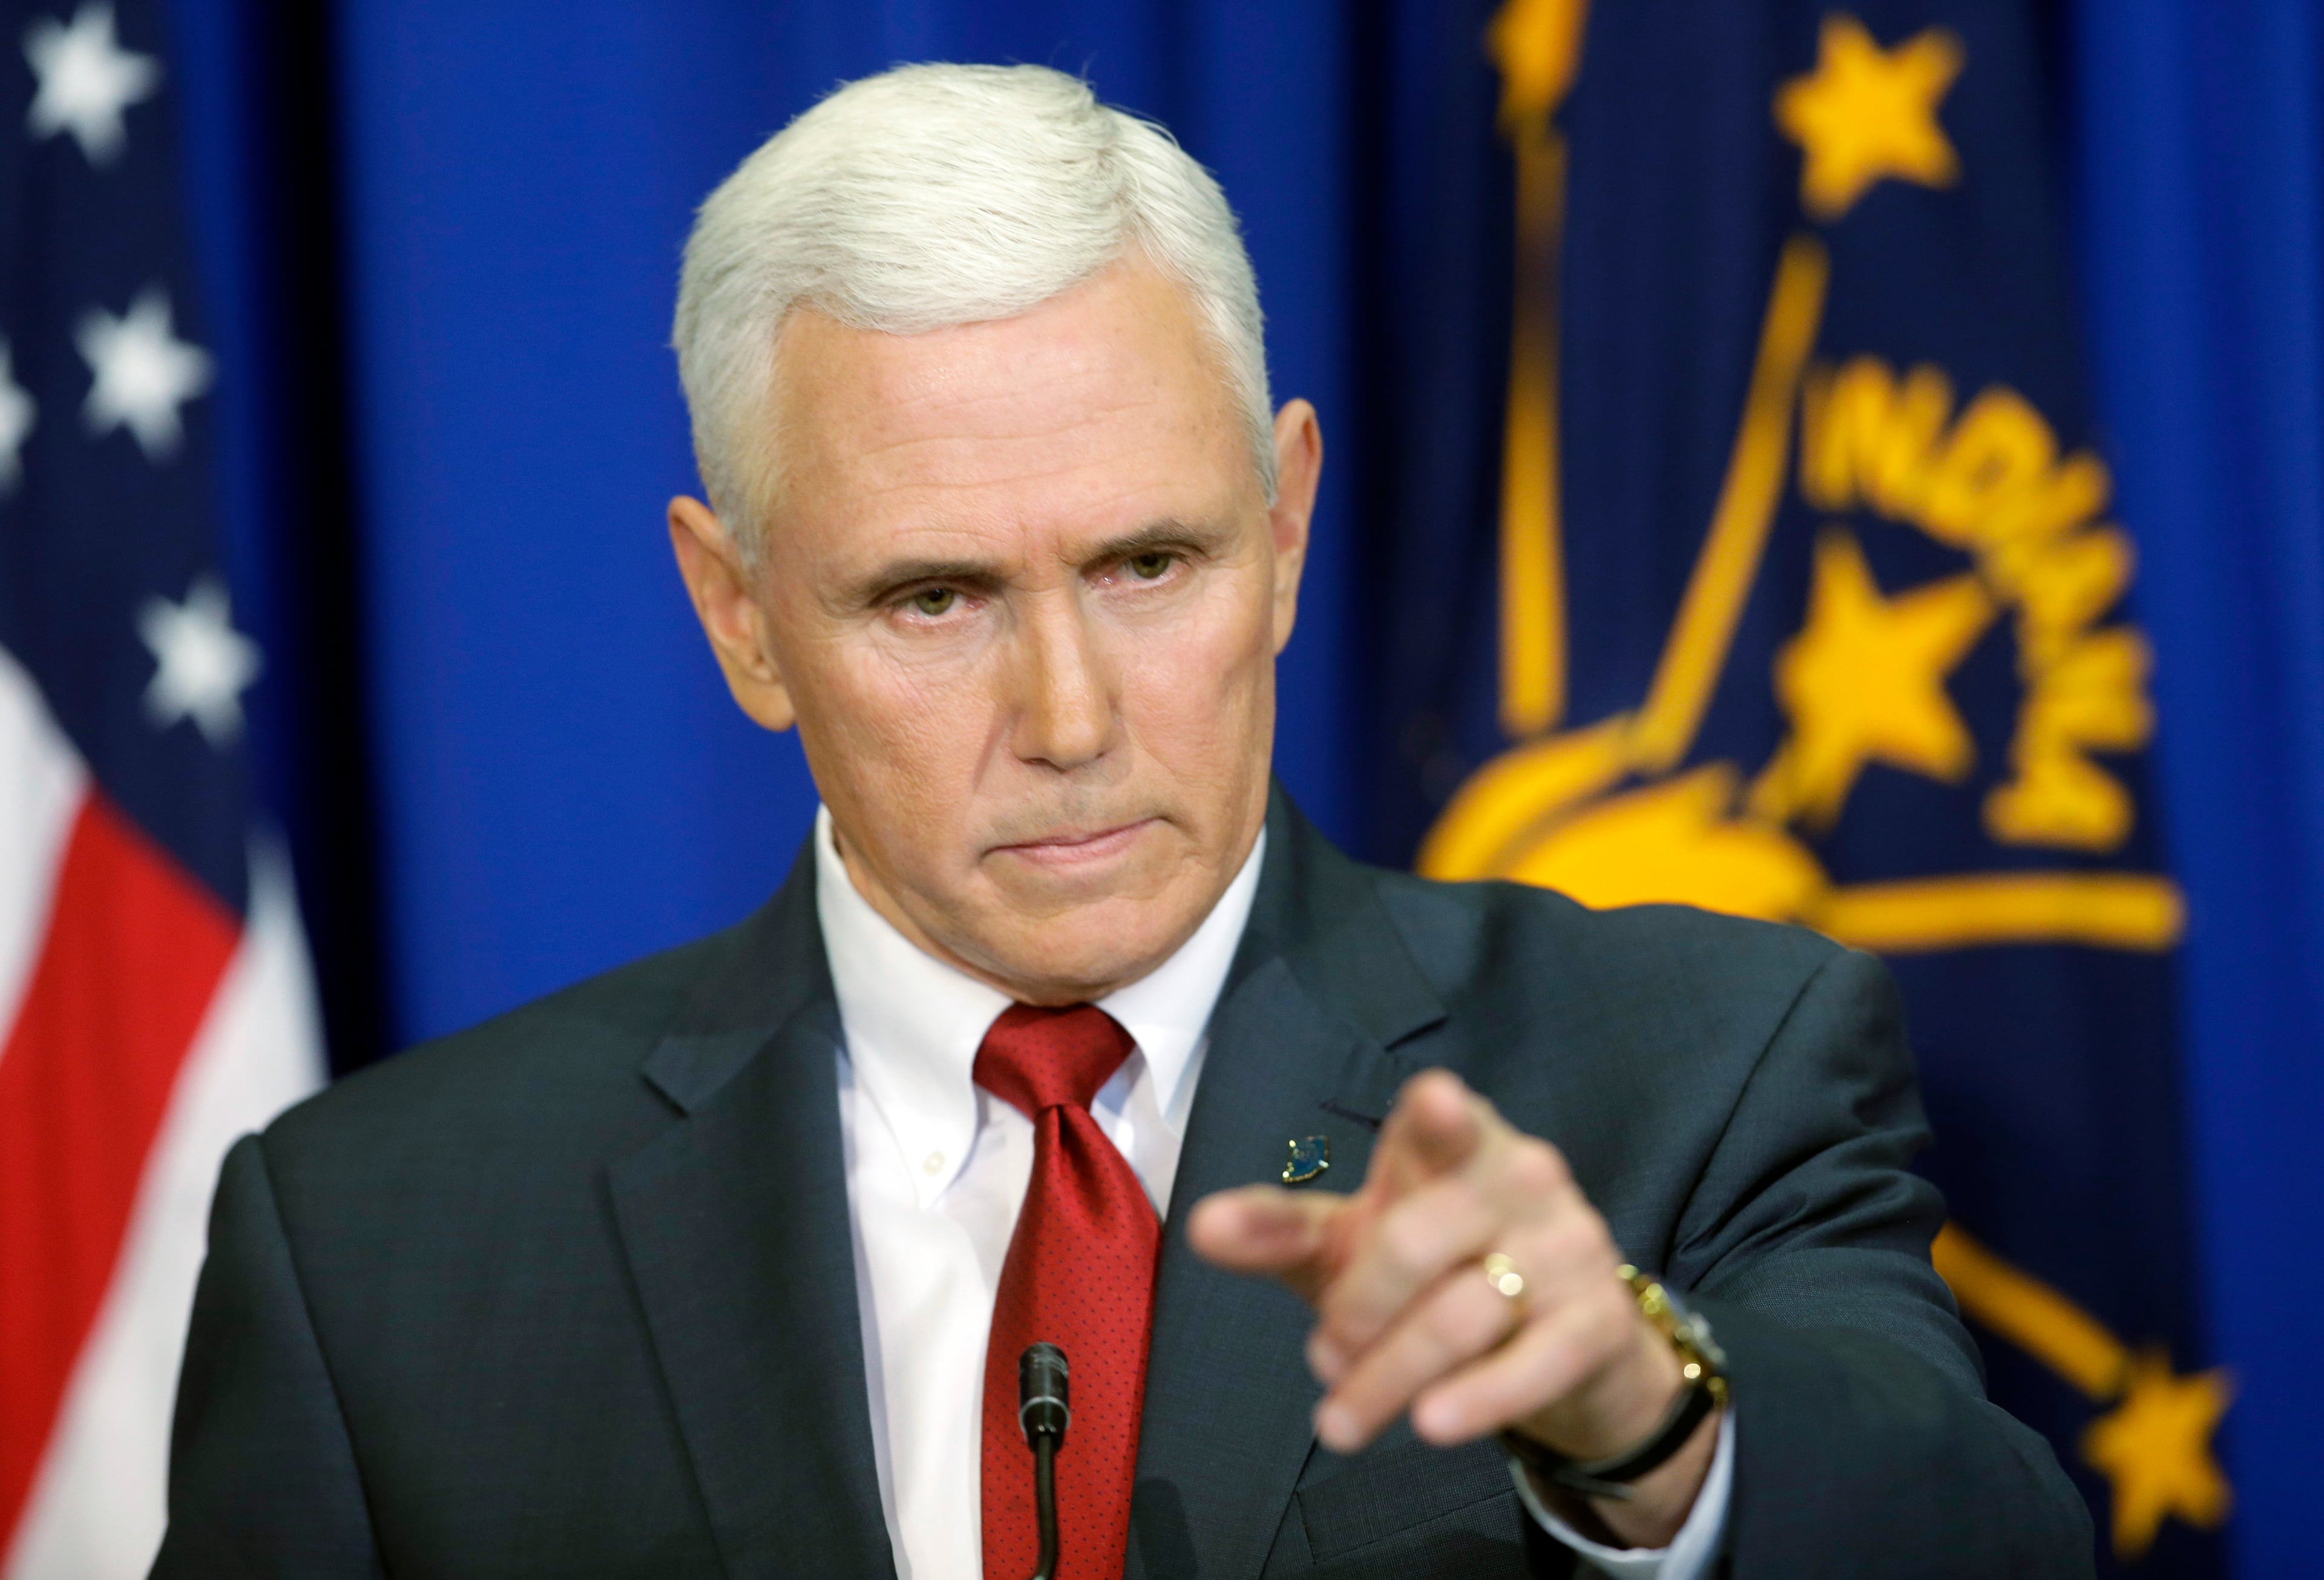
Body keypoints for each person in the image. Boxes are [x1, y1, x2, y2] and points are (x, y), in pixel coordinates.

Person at [153, 63, 2090, 1579]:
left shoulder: (1696, 1072)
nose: (1070, 720)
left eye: (1150, 564)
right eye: (935, 599)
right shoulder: (377, 1243)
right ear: (739, 618)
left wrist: (1647, 1426)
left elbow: (1988, 1546)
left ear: (1286, 527)